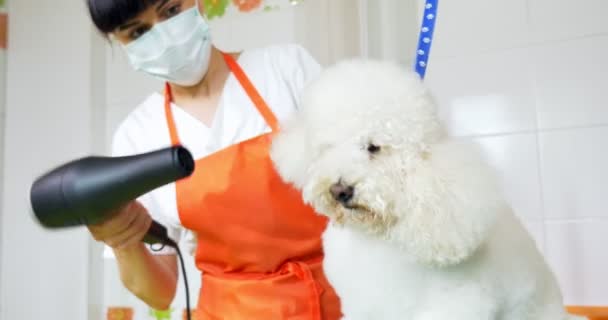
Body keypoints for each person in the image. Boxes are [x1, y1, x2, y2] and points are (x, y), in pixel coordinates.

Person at [85, 0, 342, 319]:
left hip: (338, 299)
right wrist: (123, 242)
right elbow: (160, 293)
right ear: (119, 43)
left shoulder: (286, 69)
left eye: (170, 12)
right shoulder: (137, 137)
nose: (164, 36)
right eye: (138, 31)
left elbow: (363, 179)